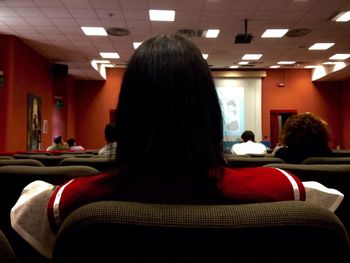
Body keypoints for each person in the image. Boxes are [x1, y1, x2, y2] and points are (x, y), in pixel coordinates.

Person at [10, 34, 341, 259]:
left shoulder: (66, 203)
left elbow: (27, 217)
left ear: (127, 117)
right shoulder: (284, 192)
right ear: (209, 112)